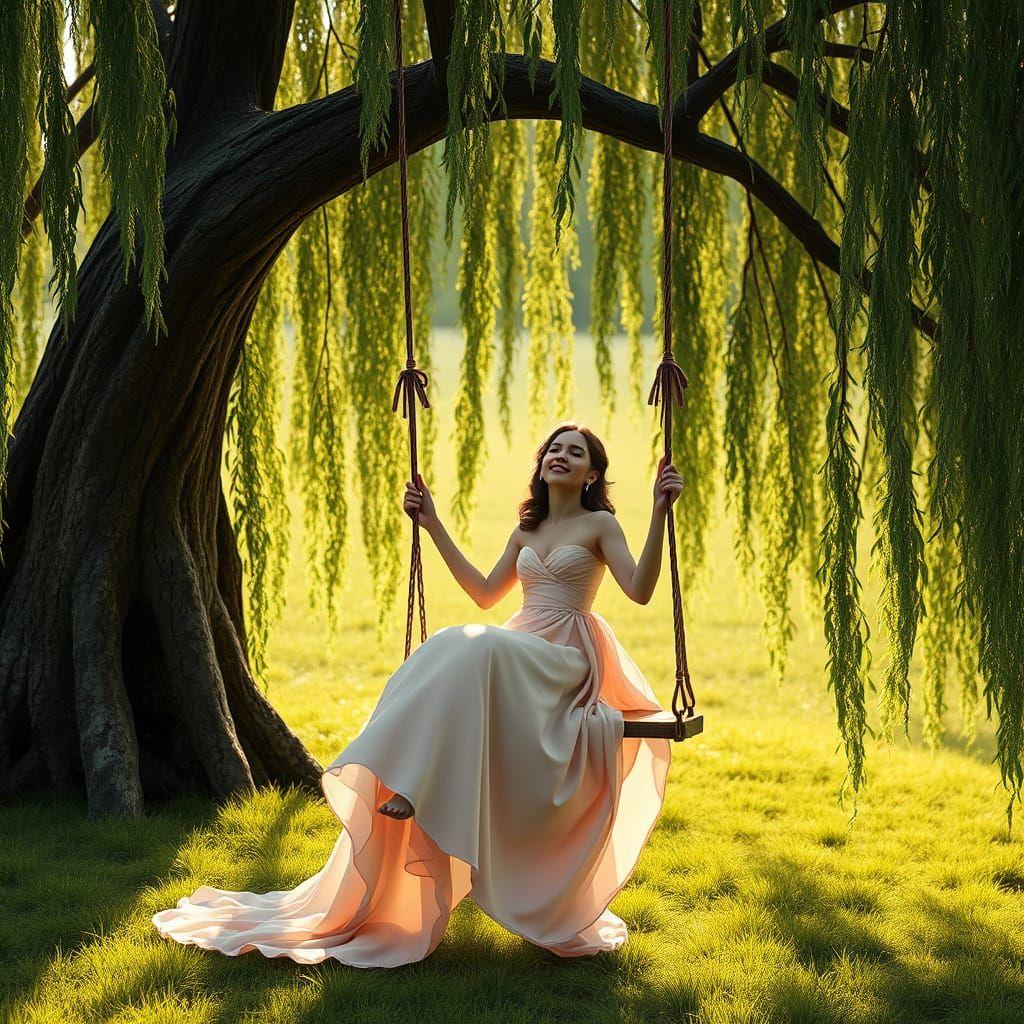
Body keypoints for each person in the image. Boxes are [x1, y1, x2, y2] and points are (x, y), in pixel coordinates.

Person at [153, 422, 684, 968]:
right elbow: (484, 594)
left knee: (472, 648)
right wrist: (431, 525)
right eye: (554, 448)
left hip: (565, 658)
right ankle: (407, 780)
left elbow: (640, 591)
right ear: (542, 462)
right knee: (451, 645)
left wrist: (659, 511)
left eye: (576, 453)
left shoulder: (600, 525)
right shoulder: (527, 531)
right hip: (518, 648)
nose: (561, 456)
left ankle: (413, 781)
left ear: (593, 474)